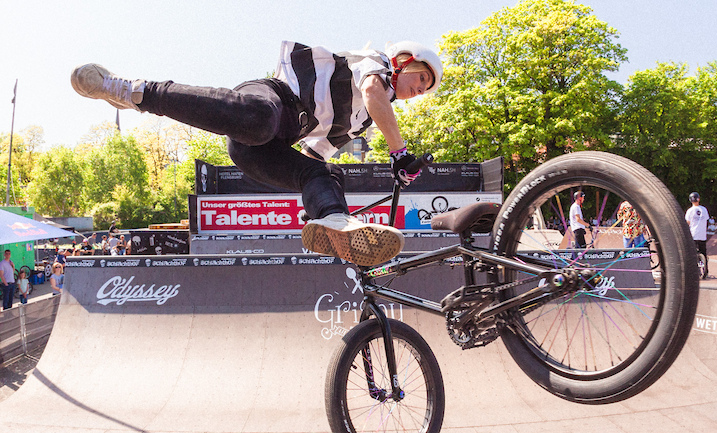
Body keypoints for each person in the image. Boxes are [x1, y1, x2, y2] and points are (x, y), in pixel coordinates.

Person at [71, 39, 443, 268]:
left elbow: (314, 157)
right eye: (421, 79)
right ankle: (134, 91)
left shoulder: (361, 123)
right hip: (269, 99)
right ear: (403, 61)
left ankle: (333, 222)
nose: (419, 91)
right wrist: (399, 152)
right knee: (260, 119)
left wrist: (319, 199)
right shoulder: (374, 62)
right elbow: (375, 93)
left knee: (324, 174)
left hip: (259, 149)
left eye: (425, 90)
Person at [685, 192, 709, 277]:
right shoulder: (704, 209)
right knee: (703, 252)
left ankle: (695, 270)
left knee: (692, 253)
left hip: (693, 234)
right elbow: (706, 220)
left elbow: (687, 223)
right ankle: (706, 271)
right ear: (699, 199)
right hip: (702, 235)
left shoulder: (690, 211)